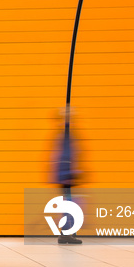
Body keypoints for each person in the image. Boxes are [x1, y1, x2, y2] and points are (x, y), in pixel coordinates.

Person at [54, 104, 83, 245]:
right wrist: (69, 173)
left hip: (65, 175)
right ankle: (65, 235)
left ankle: (65, 233)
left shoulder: (65, 133)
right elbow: (66, 155)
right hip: (66, 176)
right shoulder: (66, 133)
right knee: (69, 205)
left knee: (68, 205)